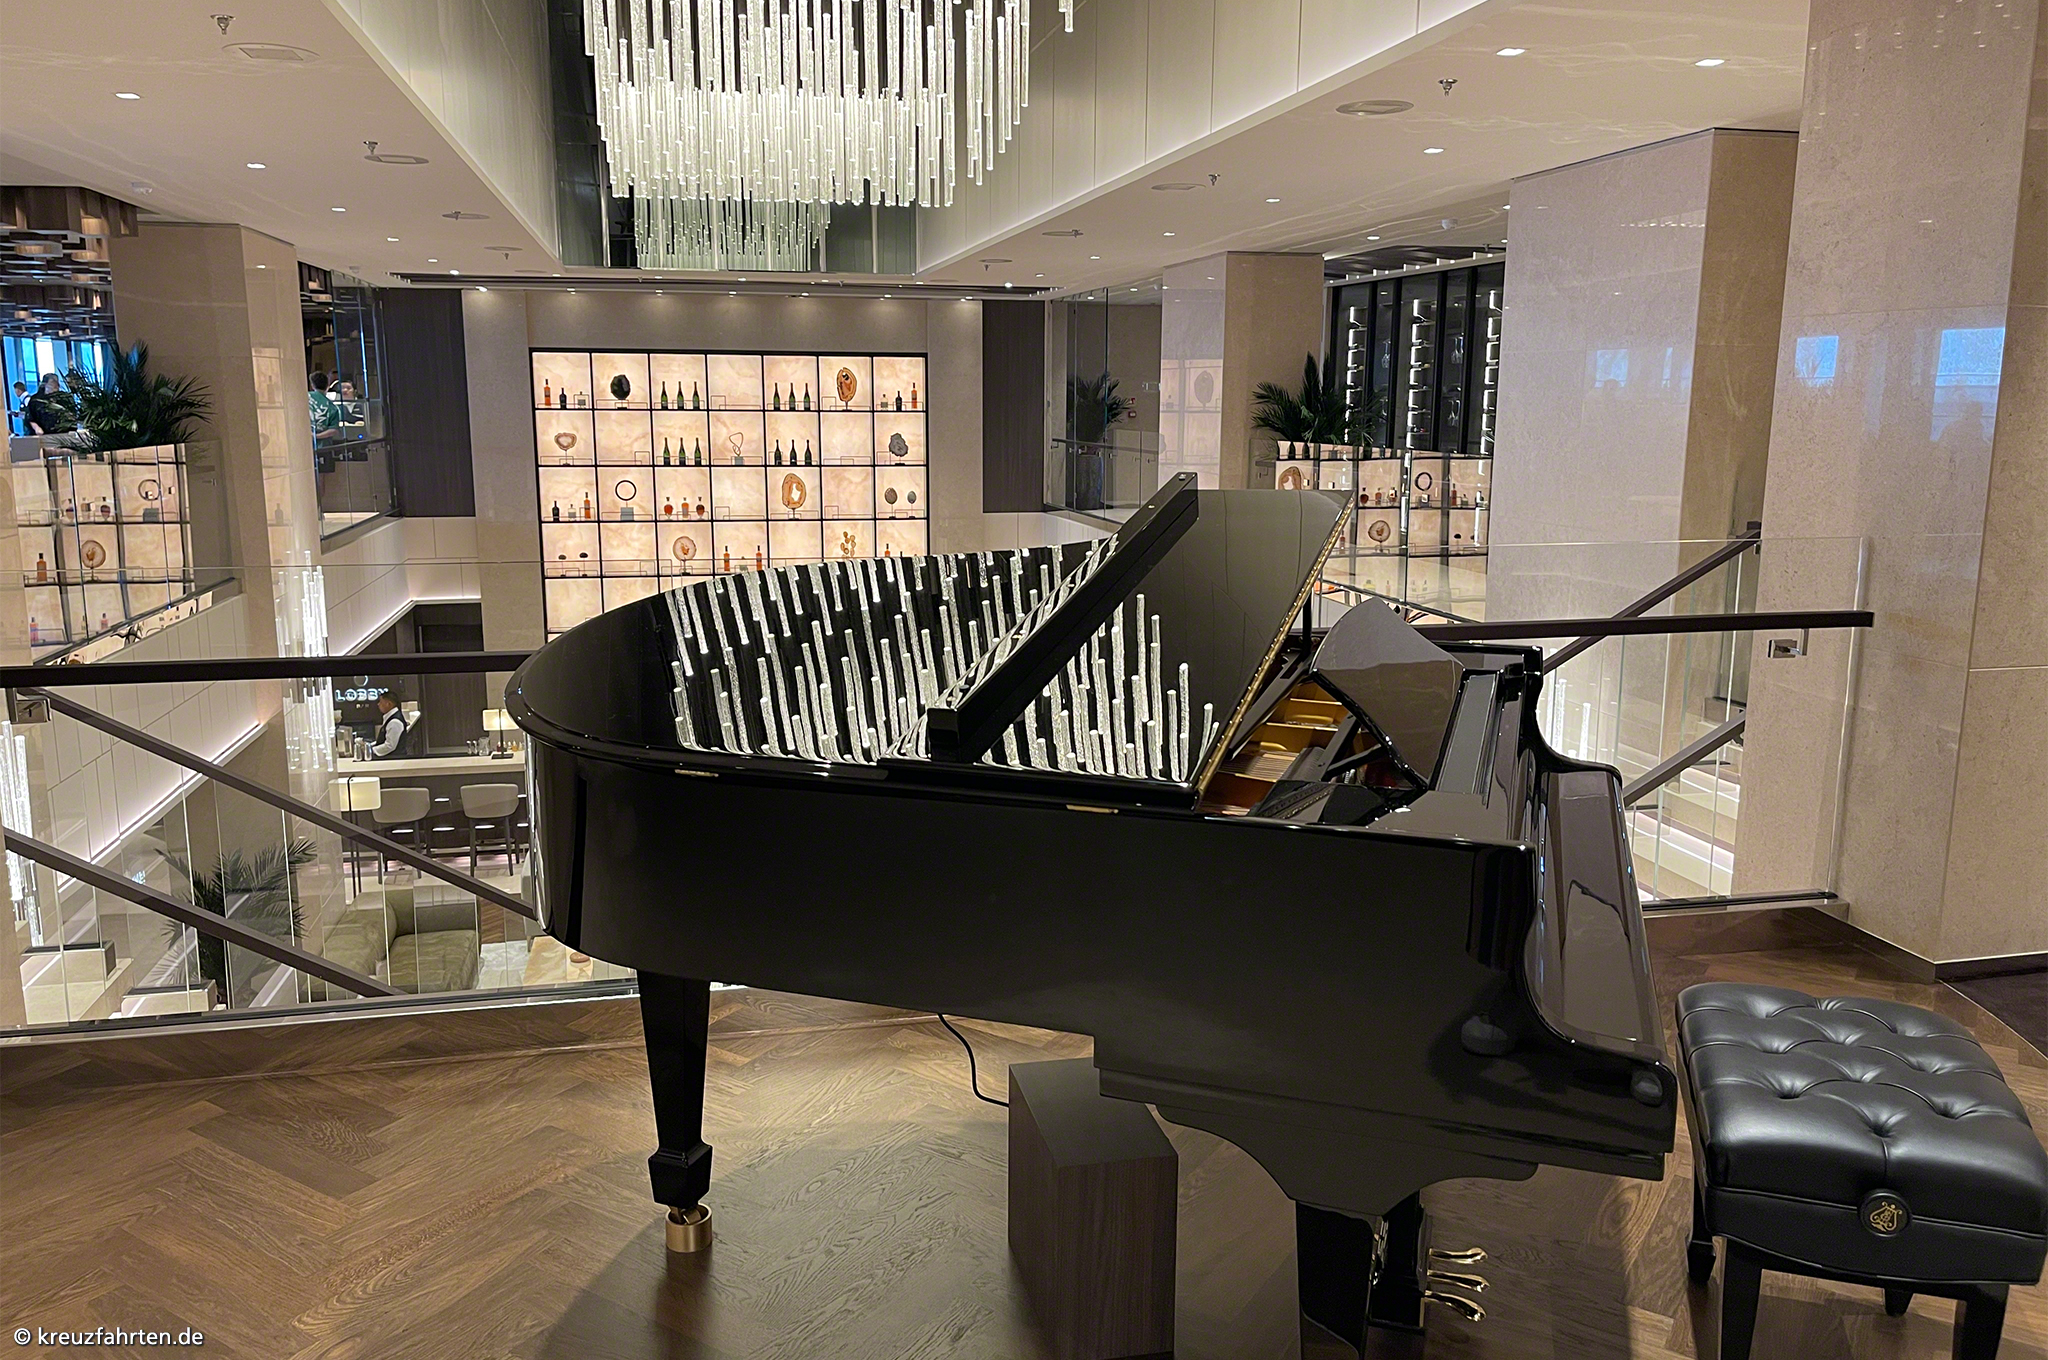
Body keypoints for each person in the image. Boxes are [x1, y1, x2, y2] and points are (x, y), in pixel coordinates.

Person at [368, 692, 410, 759]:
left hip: (394, 760)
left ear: (389, 704)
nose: (378, 704)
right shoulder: (391, 719)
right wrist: (369, 746)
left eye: (381, 702)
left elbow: (389, 746)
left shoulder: (395, 722)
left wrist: (371, 750)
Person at [308, 370, 342, 442]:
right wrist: (316, 436)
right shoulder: (333, 407)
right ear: (327, 385)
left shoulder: (304, 398)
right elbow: (333, 430)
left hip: (304, 444)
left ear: (312, 385)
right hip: (324, 445)